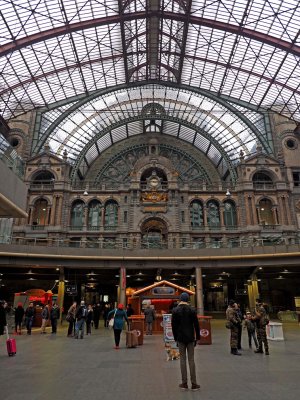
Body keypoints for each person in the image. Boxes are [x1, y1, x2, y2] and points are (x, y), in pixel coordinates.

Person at [171, 292, 201, 391]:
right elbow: (196, 324)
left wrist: (175, 338)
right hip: (190, 338)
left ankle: (184, 383)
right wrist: (198, 337)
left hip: (180, 338)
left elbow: (173, 326)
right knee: (191, 360)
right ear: (188, 299)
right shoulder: (192, 310)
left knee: (182, 360)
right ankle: (194, 383)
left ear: (180, 299)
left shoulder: (175, 310)